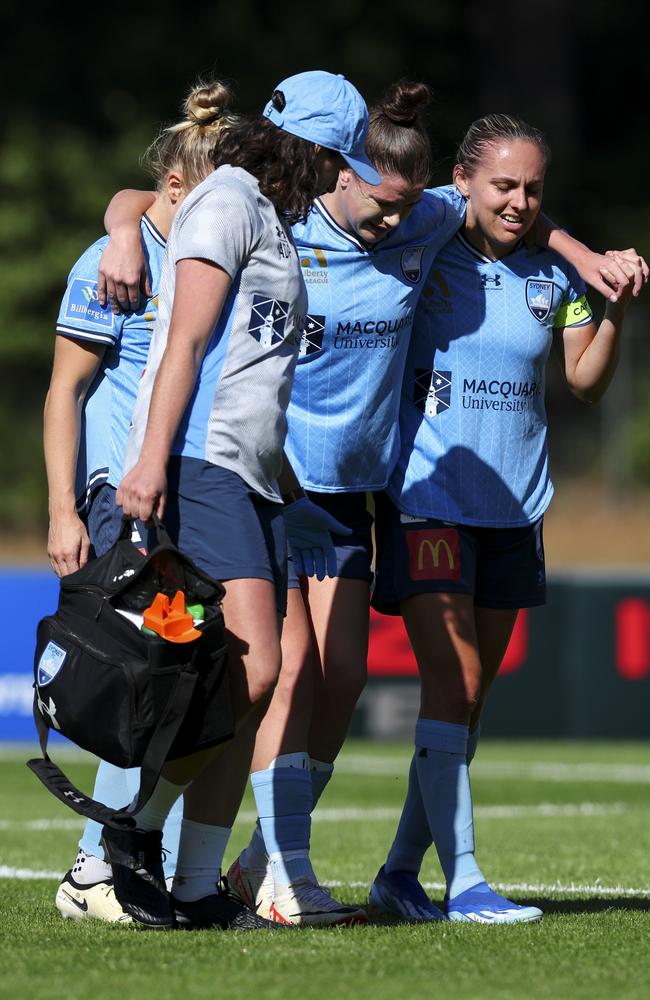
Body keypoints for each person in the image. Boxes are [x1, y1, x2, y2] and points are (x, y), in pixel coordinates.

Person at [95, 84, 637, 928]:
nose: (391, 225)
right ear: (337, 171)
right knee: (279, 670)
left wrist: (581, 252)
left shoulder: (421, 219)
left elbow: (514, 204)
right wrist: (123, 225)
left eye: (403, 210)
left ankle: (250, 864)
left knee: (342, 675)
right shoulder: (285, 214)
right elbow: (165, 197)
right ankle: (217, 864)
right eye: (378, 206)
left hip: (350, 494)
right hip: (276, 476)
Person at [106, 69, 381, 931]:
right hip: (199, 463)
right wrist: (149, 464)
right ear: (304, 149)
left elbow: (256, 369)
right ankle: (126, 841)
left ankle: (193, 887)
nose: (341, 178)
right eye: (336, 160)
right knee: (254, 669)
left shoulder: (268, 215)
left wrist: (286, 485)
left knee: (249, 687)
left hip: (254, 477)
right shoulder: (227, 201)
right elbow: (183, 344)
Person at [366, 114, 647, 923]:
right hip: (426, 498)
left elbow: (587, 382)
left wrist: (614, 303)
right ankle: (467, 884)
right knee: (451, 682)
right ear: (461, 181)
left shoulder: (551, 277)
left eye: (533, 188)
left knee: (470, 696)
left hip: (515, 506)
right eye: (504, 185)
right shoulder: (419, 250)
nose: (521, 202)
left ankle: (396, 875)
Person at [44, 78, 241, 924]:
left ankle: (129, 863)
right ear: (175, 187)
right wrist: (61, 507)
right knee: (148, 681)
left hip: (197, 488)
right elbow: (64, 394)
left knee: (192, 686)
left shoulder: (215, 253)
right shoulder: (114, 261)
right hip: (127, 500)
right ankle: (95, 869)